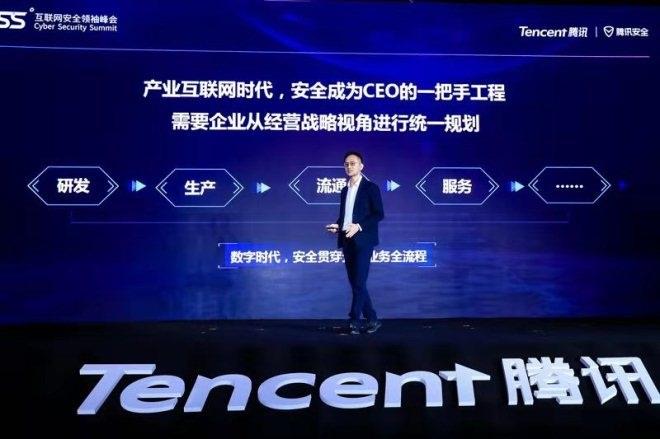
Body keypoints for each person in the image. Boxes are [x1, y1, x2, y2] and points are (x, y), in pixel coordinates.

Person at [326, 151, 384, 334]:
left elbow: (378, 214)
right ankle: (372, 319)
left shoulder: (370, 188)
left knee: (359, 281)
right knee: (356, 283)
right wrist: (337, 226)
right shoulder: (345, 190)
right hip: (346, 239)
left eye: (353, 163)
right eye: (346, 164)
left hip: (364, 240)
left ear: (361, 166)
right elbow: (345, 216)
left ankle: (354, 321)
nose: (349, 166)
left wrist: (359, 226)